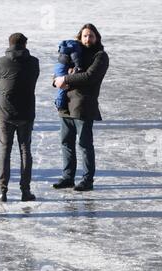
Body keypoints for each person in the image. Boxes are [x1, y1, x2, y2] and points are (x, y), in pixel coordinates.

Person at [52, 23, 109, 191]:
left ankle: (87, 179)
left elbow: (89, 76)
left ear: (97, 38)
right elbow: (60, 70)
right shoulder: (73, 52)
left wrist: (68, 79)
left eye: (91, 36)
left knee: (84, 144)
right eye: (85, 35)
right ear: (79, 37)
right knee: (66, 143)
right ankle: (68, 177)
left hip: (83, 105)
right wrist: (57, 80)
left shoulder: (100, 56)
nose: (87, 39)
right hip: (65, 105)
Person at [0, 33, 40, 202]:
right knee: (25, 149)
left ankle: (2, 191)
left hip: (5, 112)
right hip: (26, 112)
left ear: (9, 44)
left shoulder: (1, 62)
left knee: (5, 149)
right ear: (25, 44)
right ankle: (25, 191)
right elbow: (33, 80)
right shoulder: (34, 62)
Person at [54, 40, 83, 111]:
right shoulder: (75, 47)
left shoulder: (64, 49)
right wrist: (77, 66)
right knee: (63, 88)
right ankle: (60, 104)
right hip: (63, 67)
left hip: (59, 67)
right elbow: (75, 57)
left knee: (62, 88)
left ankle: (59, 104)